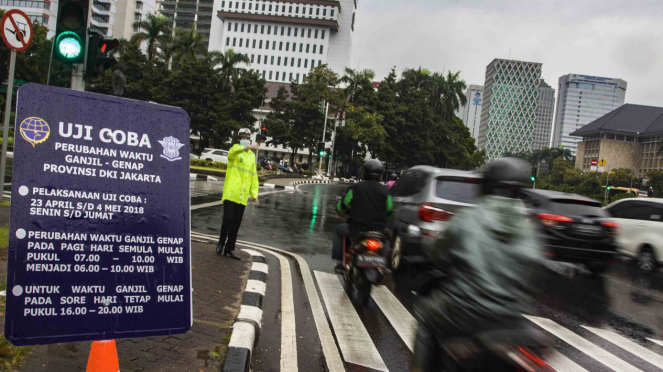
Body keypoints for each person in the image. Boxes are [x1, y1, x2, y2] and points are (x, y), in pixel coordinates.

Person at [412, 158, 544, 372]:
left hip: (463, 310)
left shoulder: (469, 217)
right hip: (510, 318)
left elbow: (438, 254)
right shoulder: (529, 227)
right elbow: (536, 270)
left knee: (426, 314)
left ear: (486, 185)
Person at [333, 159, 393, 272]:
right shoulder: (386, 192)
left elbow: (343, 205)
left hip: (356, 230)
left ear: (364, 172)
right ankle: (384, 266)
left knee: (337, 230)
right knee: (388, 238)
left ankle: (339, 263)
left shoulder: (355, 188)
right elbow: (389, 211)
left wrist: (338, 210)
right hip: (378, 232)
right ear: (380, 174)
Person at [216, 128, 260, 260]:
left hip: (242, 196)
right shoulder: (234, 150)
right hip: (231, 193)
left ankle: (230, 248)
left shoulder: (252, 156)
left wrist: (254, 194)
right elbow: (232, 153)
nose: (245, 139)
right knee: (227, 220)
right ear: (238, 139)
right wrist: (246, 147)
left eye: (247, 137)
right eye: (243, 137)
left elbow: (253, 175)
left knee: (236, 223)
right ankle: (220, 243)